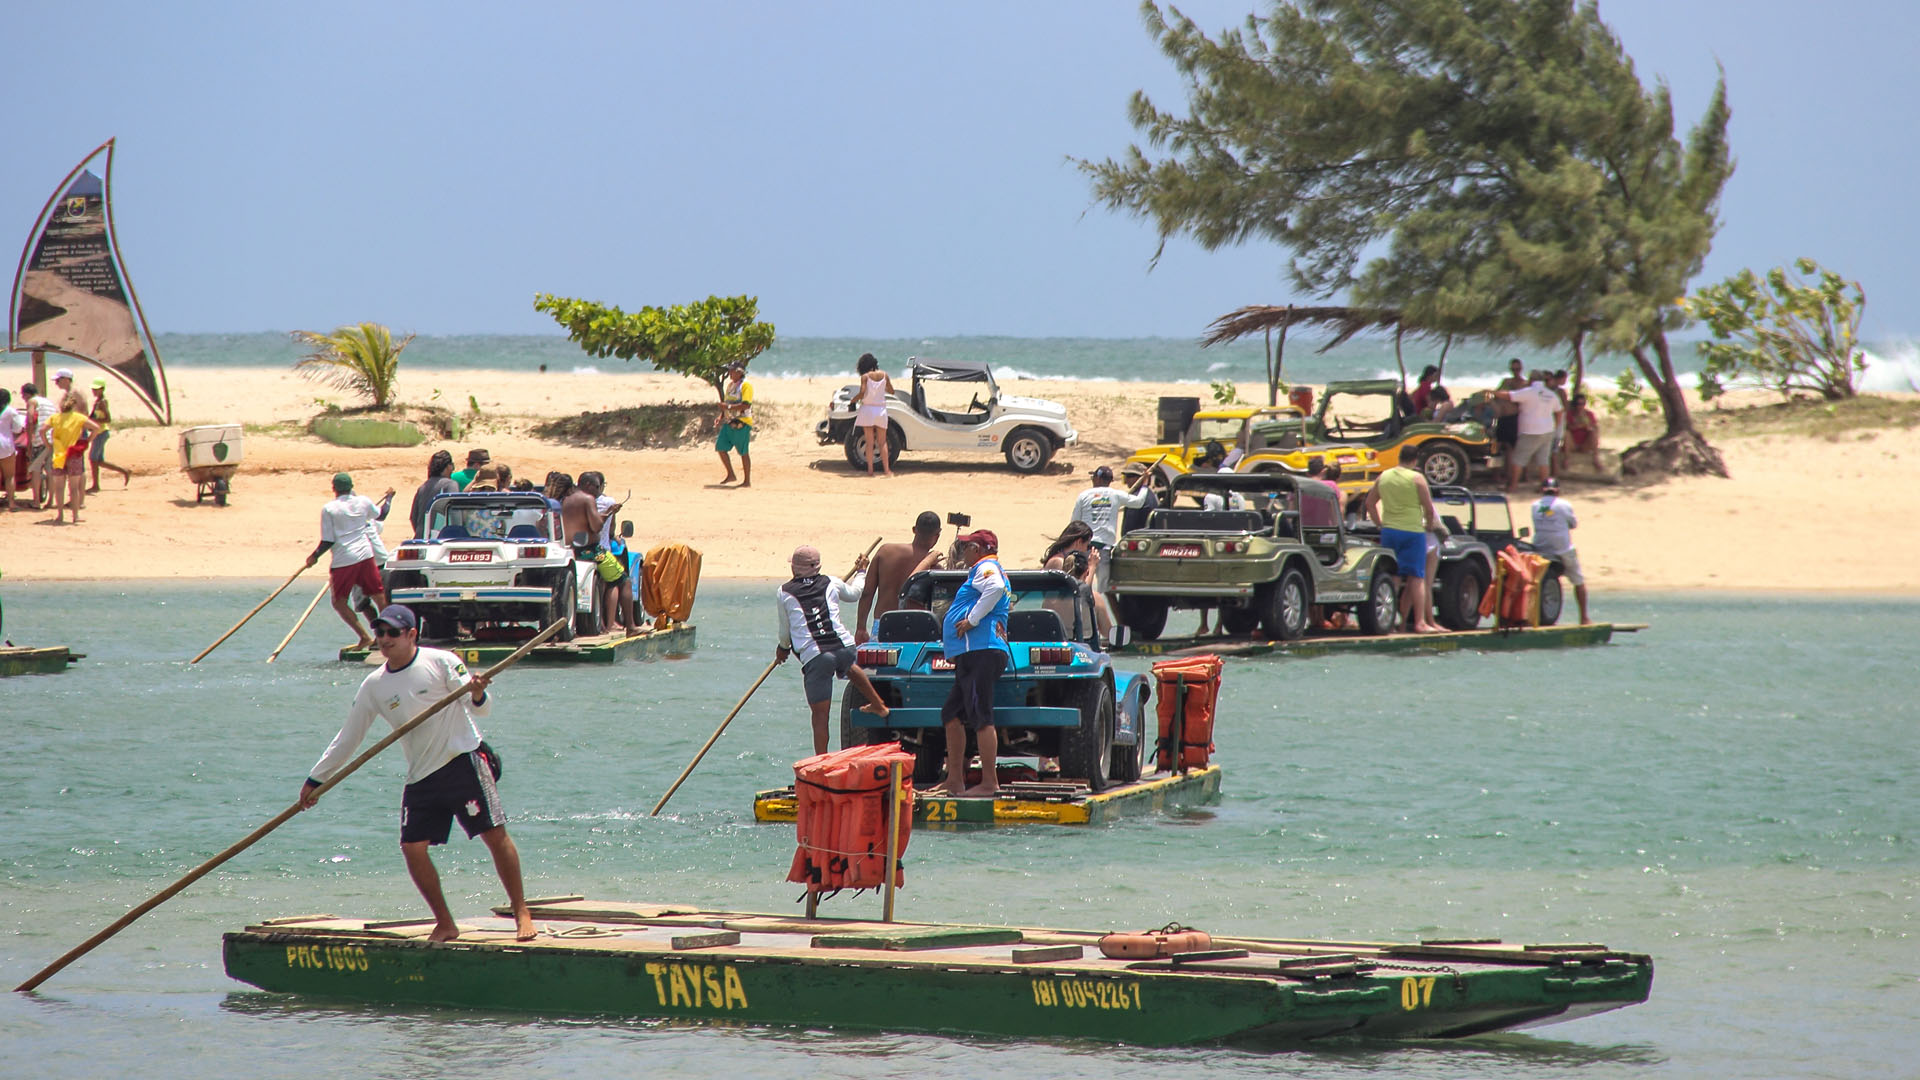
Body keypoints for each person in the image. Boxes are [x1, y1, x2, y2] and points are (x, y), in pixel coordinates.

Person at [295, 604, 535, 943]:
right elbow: (348, 736)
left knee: (494, 835)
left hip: (463, 759)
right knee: (412, 847)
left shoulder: (441, 661)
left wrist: (478, 692)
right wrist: (316, 780)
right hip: (422, 773)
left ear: (411, 635)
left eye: (393, 633)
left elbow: (480, 706)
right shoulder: (374, 685)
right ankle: (446, 923)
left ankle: (521, 911)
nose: (385, 639)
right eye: (379, 633)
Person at [774, 545, 890, 754]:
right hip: (844, 647)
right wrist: (861, 571)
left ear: (794, 568)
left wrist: (782, 649)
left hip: (816, 656)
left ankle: (821, 761)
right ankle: (878, 704)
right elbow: (855, 593)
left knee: (820, 717)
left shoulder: (784, 592)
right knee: (849, 666)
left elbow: (785, 632)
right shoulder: (831, 582)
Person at [932, 530, 1010, 798]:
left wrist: (972, 620)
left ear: (977, 549)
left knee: (981, 715)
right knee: (951, 713)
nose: (962, 552)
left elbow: (996, 588)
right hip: (972, 652)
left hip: (982, 650)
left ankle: (990, 782)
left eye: (966, 547)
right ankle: (955, 780)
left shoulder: (986, 566)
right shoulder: (981, 568)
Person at [305, 472, 395, 650]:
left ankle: (364, 637)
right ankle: (390, 635)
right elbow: (382, 515)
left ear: (334, 489)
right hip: (365, 556)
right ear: (351, 487)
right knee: (378, 596)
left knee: (339, 602)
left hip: (344, 560)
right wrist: (390, 498)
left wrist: (314, 556)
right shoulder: (363, 501)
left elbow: (328, 541)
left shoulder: (329, 509)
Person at [1363, 464, 1446, 634]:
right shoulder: (1417, 479)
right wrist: (1429, 526)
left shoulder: (1384, 476)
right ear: (1415, 459)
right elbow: (1429, 510)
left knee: (1393, 577)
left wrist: (1380, 525)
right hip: (1412, 532)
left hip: (1389, 532)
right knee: (1416, 578)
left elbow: (1370, 504)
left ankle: (1389, 623)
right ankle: (1420, 622)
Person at [856, 510, 944, 642]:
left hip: (883, 624)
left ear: (914, 530)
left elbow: (867, 593)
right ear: (937, 535)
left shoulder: (885, 551)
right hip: (916, 627)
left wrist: (861, 628)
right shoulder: (934, 567)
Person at [1068, 465, 1149, 597]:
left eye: (1093, 476)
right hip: (1103, 549)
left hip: (1084, 547)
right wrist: (1145, 485)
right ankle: (1099, 612)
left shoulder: (1084, 495)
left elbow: (1074, 523)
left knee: (1079, 584)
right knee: (1102, 590)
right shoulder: (1115, 495)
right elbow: (1139, 502)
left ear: (1097, 478)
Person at [1530, 478, 1591, 625]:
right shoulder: (1564, 505)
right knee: (1579, 581)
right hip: (1562, 549)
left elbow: (1542, 517)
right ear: (1558, 490)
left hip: (1541, 549)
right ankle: (1584, 617)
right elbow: (1573, 524)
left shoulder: (1534, 506)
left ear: (1542, 490)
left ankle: (1532, 617)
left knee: (1535, 583)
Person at [1041, 520, 1113, 639]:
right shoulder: (1059, 562)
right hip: (1063, 614)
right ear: (1079, 542)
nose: (1087, 550)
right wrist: (1092, 566)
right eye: (1087, 545)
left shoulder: (1063, 558)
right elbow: (1080, 591)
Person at [1493, 372, 1562, 493]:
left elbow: (1510, 396)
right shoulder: (1551, 394)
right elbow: (1559, 411)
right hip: (1547, 431)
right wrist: (1555, 426)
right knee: (1543, 460)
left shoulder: (1529, 392)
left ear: (1531, 380)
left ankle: (1512, 486)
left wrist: (1492, 392)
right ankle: (1545, 486)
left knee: (1518, 459)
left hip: (1530, 431)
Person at [44, 391, 103, 525]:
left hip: (59, 455)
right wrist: (87, 441)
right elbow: (96, 428)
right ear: (73, 405)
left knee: (59, 487)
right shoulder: (78, 417)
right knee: (74, 487)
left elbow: (43, 430)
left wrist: (48, 444)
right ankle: (75, 516)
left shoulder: (55, 418)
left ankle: (60, 515)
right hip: (74, 454)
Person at [853, 352, 895, 478]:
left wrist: (853, 400)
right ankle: (887, 471)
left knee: (870, 442)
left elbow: (862, 392)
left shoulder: (865, 377)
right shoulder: (884, 375)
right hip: (881, 410)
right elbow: (892, 391)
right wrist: (881, 389)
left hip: (868, 410)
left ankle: (870, 471)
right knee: (882, 442)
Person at [85, 379, 129, 492]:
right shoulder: (98, 402)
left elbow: (108, 419)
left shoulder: (102, 402)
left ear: (102, 389)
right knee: (98, 461)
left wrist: (94, 420)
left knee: (93, 459)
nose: (94, 391)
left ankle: (95, 486)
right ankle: (124, 471)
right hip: (99, 432)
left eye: (96, 389)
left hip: (101, 433)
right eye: (93, 389)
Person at [716, 362, 753, 487]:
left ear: (739, 372)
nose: (730, 373)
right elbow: (726, 403)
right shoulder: (731, 385)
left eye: (732, 371)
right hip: (729, 422)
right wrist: (721, 416)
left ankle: (747, 481)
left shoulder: (746, 386)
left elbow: (746, 404)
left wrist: (728, 407)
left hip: (742, 423)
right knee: (720, 447)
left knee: (743, 452)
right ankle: (731, 475)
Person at [410, 450, 459, 539]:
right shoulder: (450, 485)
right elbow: (455, 515)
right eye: (452, 466)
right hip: (440, 539)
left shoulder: (422, 487)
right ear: (448, 466)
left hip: (420, 539)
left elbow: (413, 517)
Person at [1493, 357, 1527, 461]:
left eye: (1517, 369)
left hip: (1514, 418)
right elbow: (1497, 395)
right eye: (1513, 369)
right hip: (1502, 417)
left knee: (1511, 448)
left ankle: (1512, 474)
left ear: (1521, 369)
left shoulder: (1524, 384)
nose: (1515, 372)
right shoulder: (1506, 381)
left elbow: (1520, 401)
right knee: (1497, 445)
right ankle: (1497, 475)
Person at [1565, 393, 1602, 471]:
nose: (1580, 406)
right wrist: (1579, 425)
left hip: (1585, 444)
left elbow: (1595, 427)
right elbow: (1567, 427)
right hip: (1573, 443)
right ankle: (1567, 459)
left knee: (1593, 433)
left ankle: (1596, 458)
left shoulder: (1589, 414)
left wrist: (1588, 426)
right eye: (1578, 404)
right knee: (1566, 434)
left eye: (1583, 404)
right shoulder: (1570, 414)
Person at [0, 389, 20, 511]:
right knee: (9, 476)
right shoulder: (11, 411)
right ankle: (11, 503)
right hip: (6, 446)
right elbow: (17, 429)